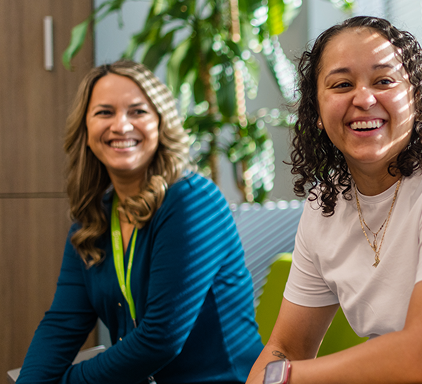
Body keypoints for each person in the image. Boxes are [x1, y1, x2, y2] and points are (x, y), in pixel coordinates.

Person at [246, 16, 422, 384]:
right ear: (317, 113)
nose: (364, 98)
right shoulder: (324, 202)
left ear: (415, 98)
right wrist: (273, 374)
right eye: (342, 84)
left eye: (384, 81)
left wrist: (284, 378)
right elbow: (287, 347)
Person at [17, 60, 263, 384]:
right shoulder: (94, 218)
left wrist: (66, 383)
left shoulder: (192, 200)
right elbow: (63, 323)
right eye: (104, 112)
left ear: (161, 124)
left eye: (138, 112)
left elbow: (159, 339)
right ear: (86, 131)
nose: (121, 126)